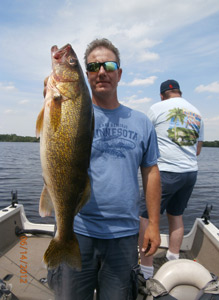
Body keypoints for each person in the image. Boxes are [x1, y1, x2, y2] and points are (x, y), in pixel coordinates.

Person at [47, 38, 161, 300]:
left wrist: (153, 224)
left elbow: (151, 172)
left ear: (119, 73)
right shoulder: (69, 108)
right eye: (93, 66)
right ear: (85, 74)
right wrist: (51, 89)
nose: (101, 71)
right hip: (78, 229)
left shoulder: (142, 122)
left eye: (108, 65)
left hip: (124, 235)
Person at [138, 79, 204, 281]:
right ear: (179, 92)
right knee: (176, 215)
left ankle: (146, 270)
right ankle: (173, 258)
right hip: (190, 172)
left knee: (146, 217)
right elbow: (198, 149)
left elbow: (144, 138)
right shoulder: (197, 113)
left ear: (162, 94)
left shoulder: (157, 108)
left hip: (165, 172)